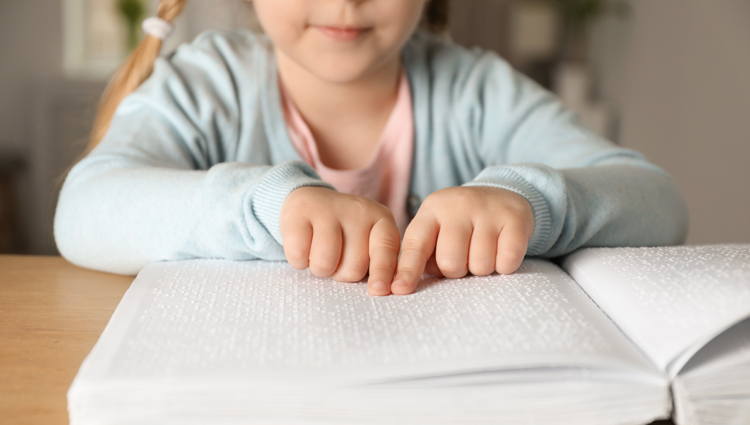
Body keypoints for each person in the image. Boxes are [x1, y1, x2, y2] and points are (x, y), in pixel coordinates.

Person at [54, 0, 688, 297]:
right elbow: (83, 207)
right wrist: (265, 205)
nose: (345, 0)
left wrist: (528, 200)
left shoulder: (475, 90)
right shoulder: (205, 85)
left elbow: (657, 200)